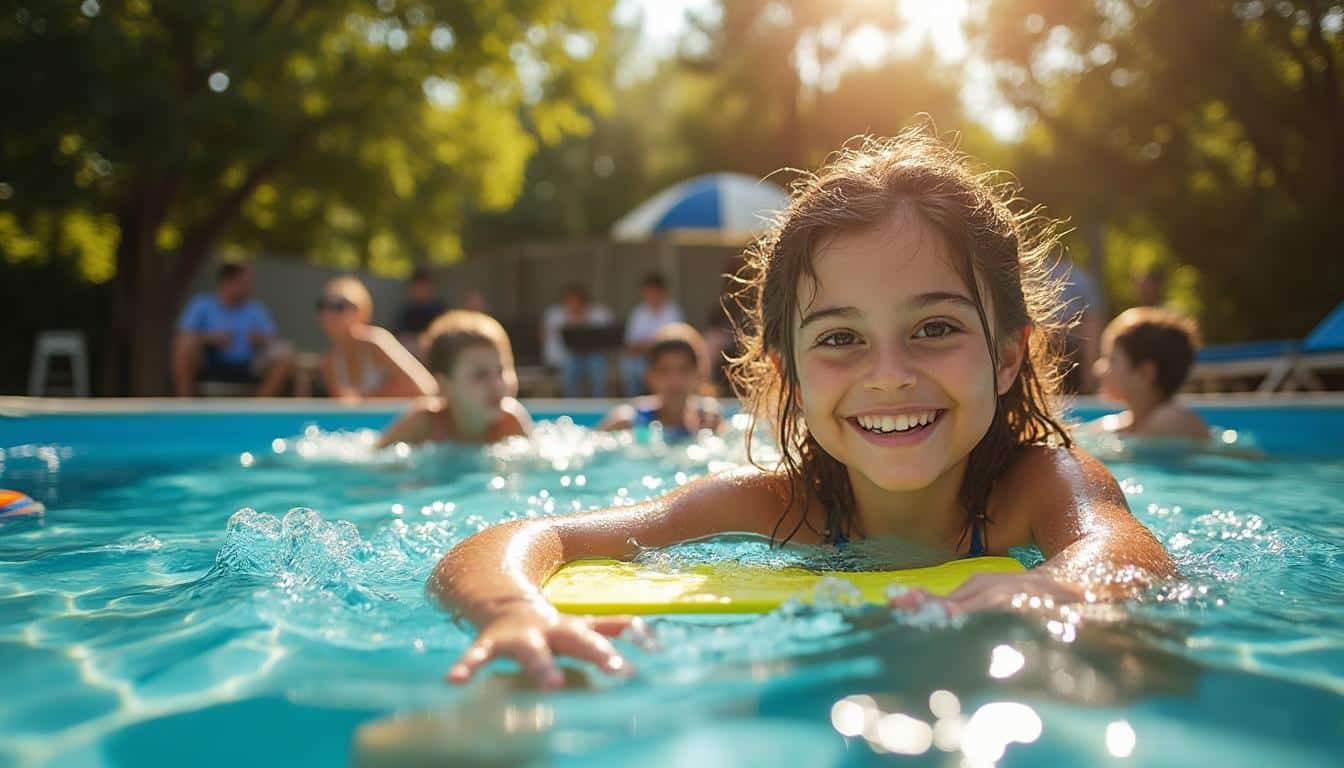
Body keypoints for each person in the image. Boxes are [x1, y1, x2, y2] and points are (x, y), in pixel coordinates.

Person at [429, 132, 1176, 688]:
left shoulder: (1040, 485)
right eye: (842, 338)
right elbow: (528, 536)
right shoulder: (776, 506)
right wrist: (511, 609)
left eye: (936, 328)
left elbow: (1125, 551)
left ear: (1008, 354)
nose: (889, 376)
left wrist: (1064, 585)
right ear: (787, 378)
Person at [376, 310, 533, 447]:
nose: (497, 384)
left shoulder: (511, 422)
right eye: (480, 375)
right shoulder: (425, 424)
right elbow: (376, 463)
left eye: (500, 370)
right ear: (444, 385)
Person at [173, 261, 294, 397]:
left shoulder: (255, 309)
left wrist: (260, 339)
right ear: (226, 282)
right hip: (210, 363)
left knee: (285, 353)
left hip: (248, 365)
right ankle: (187, 405)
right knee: (184, 346)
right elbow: (183, 335)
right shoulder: (202, 304)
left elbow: (272, 338)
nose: (248, 288)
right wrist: (210, 339)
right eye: (243, 283)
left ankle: (258, 408)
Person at [1089, 307, 1209, 440]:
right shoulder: (1132, 421)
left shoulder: (1169, 420)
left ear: (1145, 373)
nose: (1098, 368)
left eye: (1111, 360)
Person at [317, 276, 438, 401]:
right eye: (323, 305)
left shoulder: (376, 341)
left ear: (362, 309)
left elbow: (426, 388)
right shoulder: (330, 362)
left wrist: (367, 397)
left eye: (339, 306)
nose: (329, 313)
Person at [598, 323, 723, 440]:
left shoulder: (709, 422)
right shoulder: (627, 422)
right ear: (649, 376)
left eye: (684, 369)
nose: (675, 380)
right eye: (664, 370)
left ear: (699, 374)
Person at [541, 284, 616, 398]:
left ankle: (599, 403)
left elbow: (612, 339)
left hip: (596, 357)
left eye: (578, 301)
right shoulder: (554, 315)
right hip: (566, 358)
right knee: (570, 366)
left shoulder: (601, 314)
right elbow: (547, 343)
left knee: (597, 365)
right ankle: (571, 405)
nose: (574, 305)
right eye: (570, 301)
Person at [1049, 255, 1106, 394]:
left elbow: (1093, 322)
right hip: (1045, 351)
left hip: (1073, 355)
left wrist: (1089, 367)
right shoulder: (1033, 274)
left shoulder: (1080, 278)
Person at [620, 273, 684, 395]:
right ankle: (633, 400)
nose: (652, 295)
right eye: (649, 291)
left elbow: (677, 340)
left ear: (663, 292)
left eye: (655, 291)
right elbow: (630, 343)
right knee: (628, 366)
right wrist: (650, 344)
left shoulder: (673, 311)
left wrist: (651, 344)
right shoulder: (638, 312)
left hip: (667, 357)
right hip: (641, 358)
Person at [396, 267, 448, 355]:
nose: (421, 290)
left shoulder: (440, 310)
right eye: (418, 286)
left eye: (425, 286)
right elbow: (399, 336)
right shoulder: (405, 311)